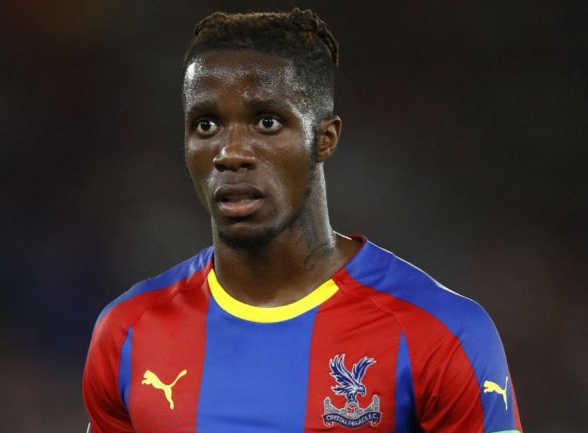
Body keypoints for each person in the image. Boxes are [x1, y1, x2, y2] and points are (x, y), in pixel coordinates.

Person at [82, 8, 522, 433]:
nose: (230, 153)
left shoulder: (442, 331)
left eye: (266, 122)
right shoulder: (127, 332)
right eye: (207, 125)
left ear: (324, 138)